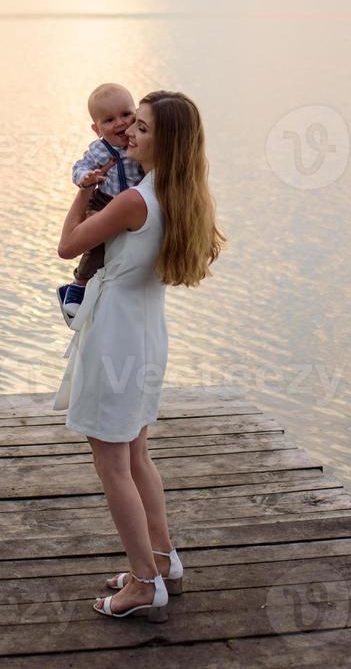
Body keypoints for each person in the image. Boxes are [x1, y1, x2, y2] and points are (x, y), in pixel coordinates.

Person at [53, 90, 226, 620]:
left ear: (166, 143)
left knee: (112, 464)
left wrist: (84, 192)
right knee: (136, 454)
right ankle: (162, 558)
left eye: (143, 128)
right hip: (148, 333)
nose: (129, 133)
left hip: (115, 337)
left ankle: (143, 583)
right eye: (133, 125)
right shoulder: (183, 195)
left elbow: (68, 245)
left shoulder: (133, 201)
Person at [57, 82, 145, 325]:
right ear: (97, 129)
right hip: (104, 199)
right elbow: (80, 166)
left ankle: (102, 289)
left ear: (136, 113)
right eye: (109, 120)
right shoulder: (100, 150)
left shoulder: (138, 142)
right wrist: (86, 178)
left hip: (130, 203)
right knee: (95, 246)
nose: (120, 123)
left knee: (120, 247)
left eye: (126, 114)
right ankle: (79, 284)